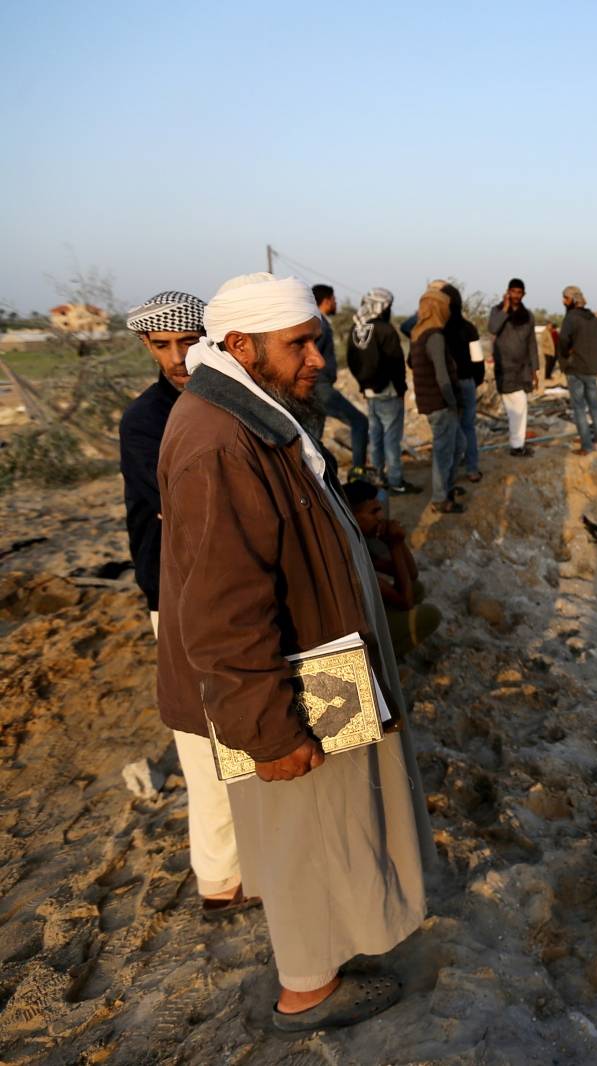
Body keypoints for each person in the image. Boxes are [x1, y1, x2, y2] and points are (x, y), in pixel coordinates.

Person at [157, 272, 428, 1030]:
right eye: (300, 345)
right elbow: (219, 610)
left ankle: (329, 958)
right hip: (285, 687)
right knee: (302, 834)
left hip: (319, 666)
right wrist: (269, 730)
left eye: (316, 341)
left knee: (332, 823)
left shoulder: (250, 410)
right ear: (240, 345)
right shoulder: (215, 440)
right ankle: (306, 993)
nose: (317, 359)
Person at [120, 289, 258, 922]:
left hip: (235, 589)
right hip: (177, 595)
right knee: (202, 749)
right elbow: (189, 510)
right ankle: (220, 881)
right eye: (162, 346)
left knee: (250, 732)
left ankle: (254, 868)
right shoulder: (148, 420)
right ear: (147, 347)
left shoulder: (235, 398)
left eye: (186, 341)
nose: (178, 358)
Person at [344, 480, 441, 656]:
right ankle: (382, 661)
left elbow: (411, 574)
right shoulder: (347, 548)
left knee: (416, 588)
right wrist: (395, 545)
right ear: (353, 515)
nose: (380, 517)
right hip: (353, 634)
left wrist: (397, 541)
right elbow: (406, 602)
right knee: (430, 616)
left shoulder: (358, 539)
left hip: (364, 616)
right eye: (373, 512)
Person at [347, 288, 418, 494]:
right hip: (389, 392)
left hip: (369, 392)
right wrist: (400, 388)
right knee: (391, 439)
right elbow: (396, 363)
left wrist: (364, 384)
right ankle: (396, 481)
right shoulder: (385, 330)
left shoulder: (356, 328)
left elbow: (353, 361)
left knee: (376, 436)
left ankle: (378, 476)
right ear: (383, 307)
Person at [408, 289, 465, 513]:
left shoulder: (418, 333)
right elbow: (443, 376)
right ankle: (441, 499)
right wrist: (453, 403)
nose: (448, 311)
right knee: (444, 453)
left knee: (458, 446)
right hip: (441, 405)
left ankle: (447, 488)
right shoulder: (434, 336)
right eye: (445, 306)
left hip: (432, 403)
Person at [306, 284, 369, 477]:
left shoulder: (319, 322)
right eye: (334, 299)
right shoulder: (319, 325)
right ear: (326, 301)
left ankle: (312, 477)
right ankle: (358, 472)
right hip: (320, 387)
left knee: (313, 436)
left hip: (318, 386)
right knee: (359, 422)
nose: (336, 303)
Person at [437, 283, 483, 483]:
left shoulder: (438, 331)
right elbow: (478, 360)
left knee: (451, 430)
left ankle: (450, 476)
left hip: (447, 386)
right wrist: (475, 381)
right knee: (468, 428)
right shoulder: (469, 328)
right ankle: (472, 469)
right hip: (467, 383)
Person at [557, 285, 597, 455]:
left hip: (576, 368)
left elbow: (563, 341)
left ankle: (587, 446)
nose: (563, 301)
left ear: (572, 300)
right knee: (595, 408)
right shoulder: (594, 319)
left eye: (565, 298)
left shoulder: (571, 318)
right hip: (592, 369)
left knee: (579, 408)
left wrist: (567, 353)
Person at [488, 277, 537, 457]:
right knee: (518, 405)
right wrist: (505, 309)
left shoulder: (528, 315)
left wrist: (535, 368)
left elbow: (532, 343)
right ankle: (517, 445)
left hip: (523, 369)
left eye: (519, 292)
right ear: (507, 292)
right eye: (513, 292)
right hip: (505, 367)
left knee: (517, 407)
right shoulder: (497, 311)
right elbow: (492, 328)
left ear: (523, 294)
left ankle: (517, 443)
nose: (516, 295)